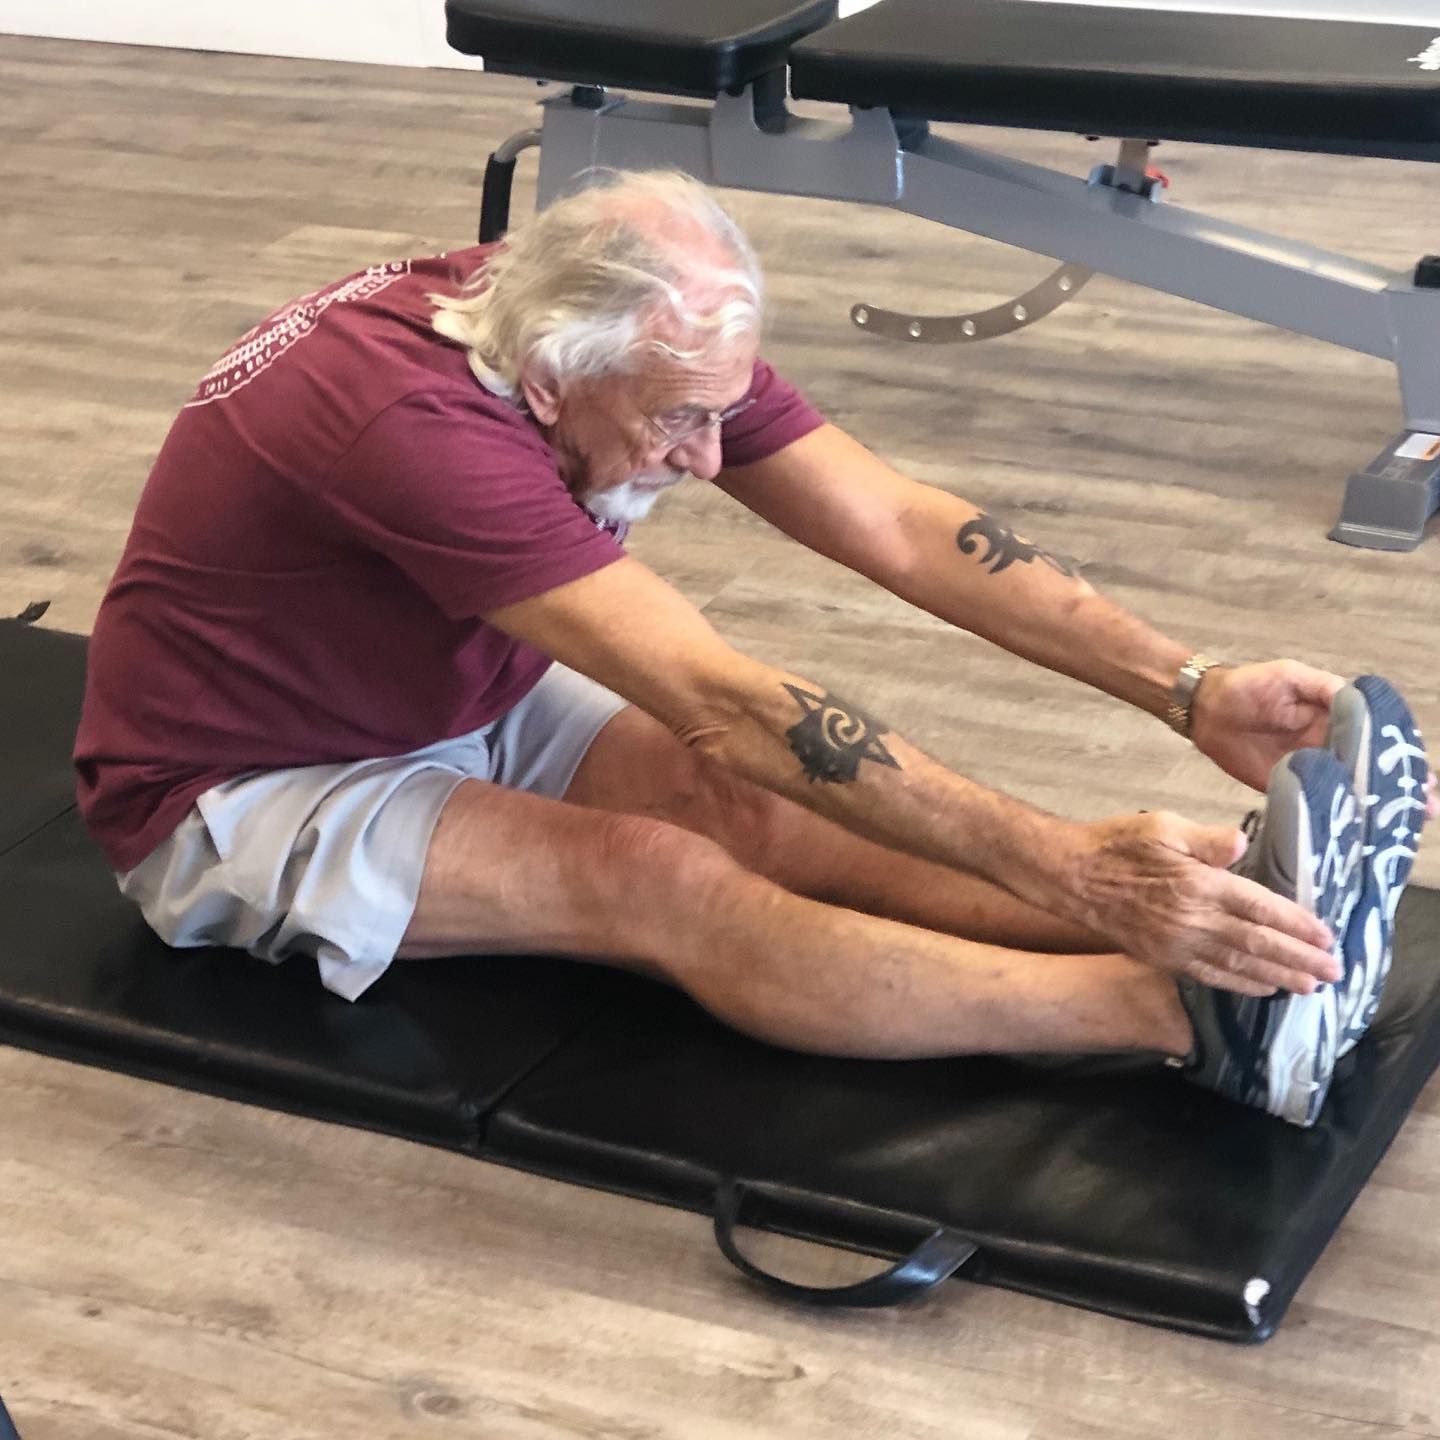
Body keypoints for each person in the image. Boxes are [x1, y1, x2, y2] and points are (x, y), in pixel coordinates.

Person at [73, 170, 1433, 1128]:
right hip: (242, 786)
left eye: (720, 415)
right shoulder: (410, 432)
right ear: (549, 382)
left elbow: (896, 524)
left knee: (749, 806)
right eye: (677, 426)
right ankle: (1193, 1020)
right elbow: (725, 696)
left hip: (450, 683)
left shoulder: (624, 321)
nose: (710, 459)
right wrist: (1069, 869)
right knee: (660, 871)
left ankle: (1239, 909)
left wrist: (1186, 687)